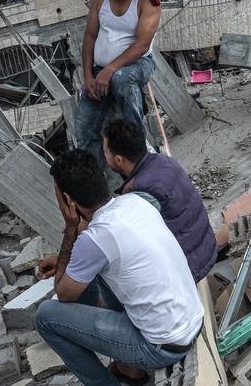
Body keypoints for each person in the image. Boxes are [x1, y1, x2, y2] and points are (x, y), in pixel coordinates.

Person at [35, 149, 203, 386]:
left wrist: (70, 229)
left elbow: (63, 293)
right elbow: (101, 240)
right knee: (97, 270)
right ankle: (128, 368)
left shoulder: (94, 239)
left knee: (45, 316)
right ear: (102, 178)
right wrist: (70, 254)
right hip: (191, 322)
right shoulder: (135, 202)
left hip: (159, 347)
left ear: (68, 201)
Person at [74, 0, 161, 170]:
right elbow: (90, 36)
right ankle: (96, 181)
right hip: (99, 69)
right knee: (85, 129)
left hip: (137, 65)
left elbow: (142, 45)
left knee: (121, 79)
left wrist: (110, 70)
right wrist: (88, 77)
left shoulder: (146, 0)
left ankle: (138, 149)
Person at [103, 118, 217, 282]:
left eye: (105, 151)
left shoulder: (143, 192)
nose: (104, 154)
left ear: (119, 160)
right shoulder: (163, 161)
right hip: (206, 247)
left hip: (191, 268)